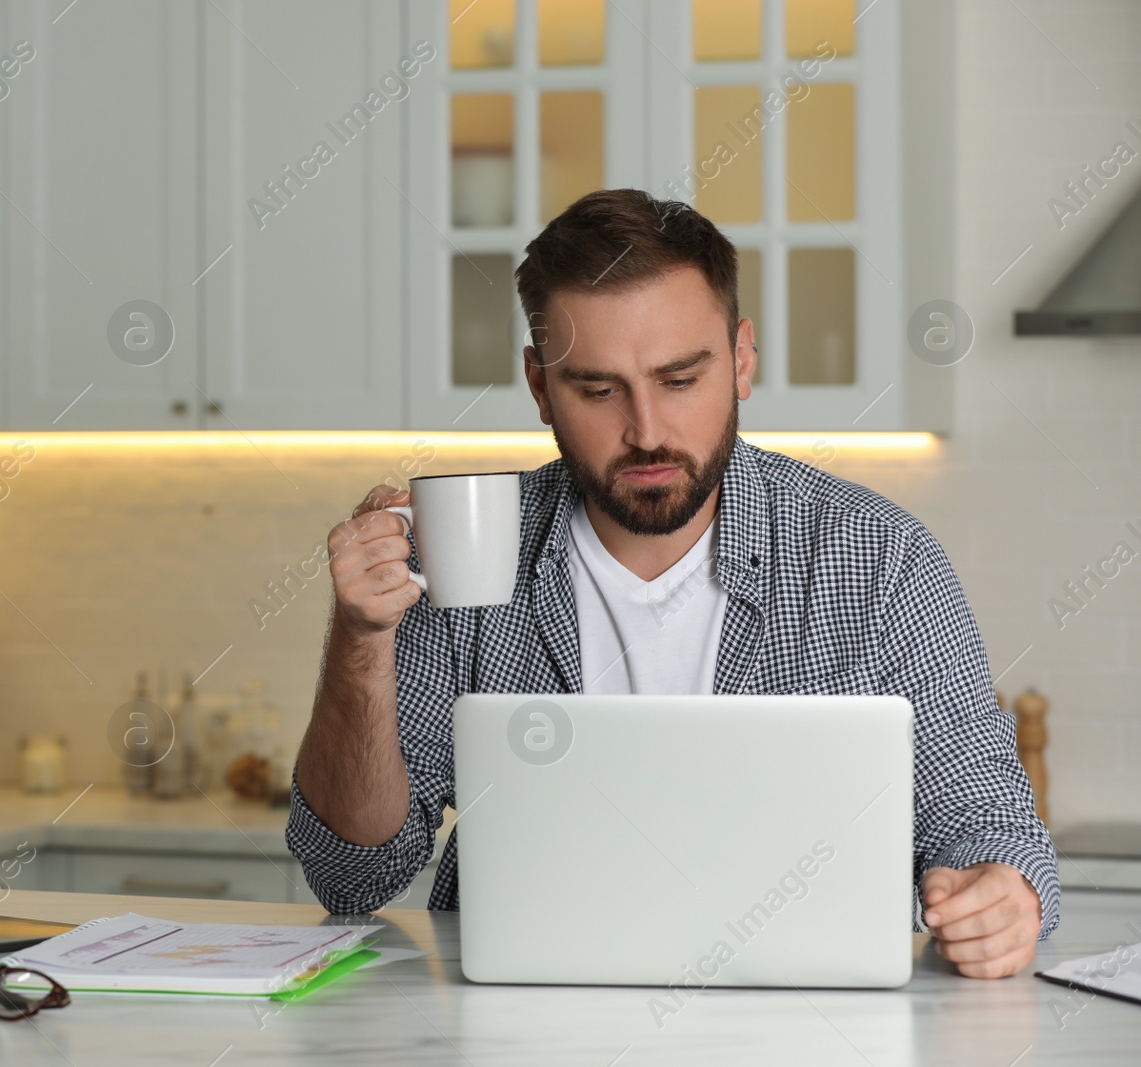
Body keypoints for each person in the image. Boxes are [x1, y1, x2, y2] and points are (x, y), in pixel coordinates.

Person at [286, 188, 1058, 980]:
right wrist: (361, 637)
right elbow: (352, 877)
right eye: (597, 389)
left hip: (799, 1029)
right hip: (514, 1025)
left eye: (681, 380)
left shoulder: (878, 559)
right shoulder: (467, 550)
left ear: (743, 360)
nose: (647, 430)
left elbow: (987, 822)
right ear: (540, 386)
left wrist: (1003, 893)